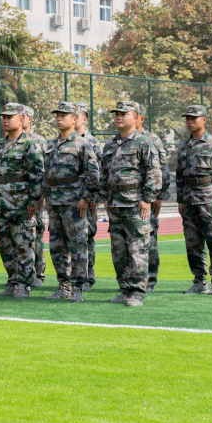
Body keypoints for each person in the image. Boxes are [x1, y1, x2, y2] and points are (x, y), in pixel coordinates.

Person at [100, 101, 162, 307]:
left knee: (138, 249)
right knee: (119, 251)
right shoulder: (110, 145)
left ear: (135, 118)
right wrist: (105, 199)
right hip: (115, 205)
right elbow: (104, 174)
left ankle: (137, 292)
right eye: (116, 113)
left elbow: (154, 173)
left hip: (136, 204)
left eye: (124, 113)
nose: (118, 117)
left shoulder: (144, 142)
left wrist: (147, 199)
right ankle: (124, 289)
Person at [42, 101, 100, 303]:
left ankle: (77, 287)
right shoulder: (51, 145)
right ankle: (63, 286)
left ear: (75, 119)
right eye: (57, 115)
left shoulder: (83, 144)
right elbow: (46, 175)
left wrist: (86, 198)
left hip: (74, 204)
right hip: (55, 203)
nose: (59, 118)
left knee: (77, 246)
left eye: (64, 115)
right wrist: (47, 197)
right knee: (56, 247)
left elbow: (93, 174)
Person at [176, 105, 212, 296]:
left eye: (194, 118)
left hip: (208, 197)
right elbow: (179, 175)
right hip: (188, 198)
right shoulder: (183, 146)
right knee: (192, 242)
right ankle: (199, 281)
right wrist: (180, 200)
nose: (189, 121)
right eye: (187, 118)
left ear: (204, 120)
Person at [0, 103, 44, 298]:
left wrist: (33, 201)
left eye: (10, 117)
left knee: (23, 245)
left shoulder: (30, 144)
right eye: (4, 117)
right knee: (5, 245)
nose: (5, 120)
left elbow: (37, 174)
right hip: (3, 204)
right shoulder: (1, 145)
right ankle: (13, 281)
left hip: (22, 204)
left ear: (21, 120)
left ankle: (24, 285)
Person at [135, 104, 170, 293]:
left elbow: (162, 170)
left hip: (148, 198)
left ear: (140, 118)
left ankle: (151, 280)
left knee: (150, 240)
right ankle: (132, 282)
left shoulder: (152, 139)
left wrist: (158, 196)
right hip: (127, 199)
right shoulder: (119, 140)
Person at [75, 102, 103, 291]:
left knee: (87, 237)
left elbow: (98, 172)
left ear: (84, 119)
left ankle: (88, 277)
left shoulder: (92, 142)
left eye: (76, 115)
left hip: (87, 198)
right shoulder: (62, 141)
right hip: (67, 198)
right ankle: (73, 278)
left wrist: (94, 199)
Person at [24, 106, 47, 288]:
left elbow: (43, 170)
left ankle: (39, 274)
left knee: (36, 235)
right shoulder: (9, 141)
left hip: (35, 197)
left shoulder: (38, 140)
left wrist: (41, 196)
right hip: (16, 198)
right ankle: (22, 275)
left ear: (29, 119)